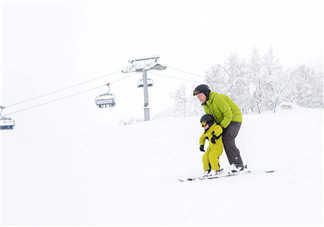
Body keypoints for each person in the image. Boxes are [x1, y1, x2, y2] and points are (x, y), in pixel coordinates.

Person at [193, 84, 245, 172]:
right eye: (198, 97)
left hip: (234, 119)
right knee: (217, 139)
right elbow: (213, 121)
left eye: (200, 96)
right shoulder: (206, 106)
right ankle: (214, 168)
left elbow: (228, 114)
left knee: (227, 139)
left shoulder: (218, 99)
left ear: (206, 93)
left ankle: (238, 165)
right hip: (223, 122)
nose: (199, 98)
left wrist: (221, 127)